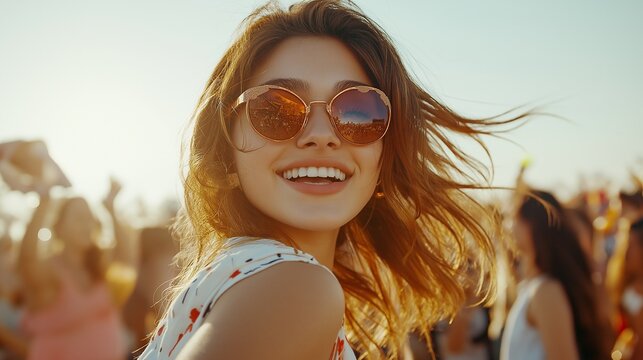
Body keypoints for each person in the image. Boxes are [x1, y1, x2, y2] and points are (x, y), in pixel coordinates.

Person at [140, 1, 526, 359]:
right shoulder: (294, 285)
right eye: (275, 109)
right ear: (225, 146)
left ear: (385, 156)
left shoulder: (241, 274)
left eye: (360, 111)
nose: (321, 134)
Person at [17, 177, 130, 360]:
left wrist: (110, 207)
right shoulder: (50, 270)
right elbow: (27, 258)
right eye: (79, 218)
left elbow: (126, 259)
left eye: (89, 218)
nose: (87, 225)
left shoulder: (96, 266)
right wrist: (44, 204)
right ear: (58, 226)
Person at [501, 191, 610, 360]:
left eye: (515, 218)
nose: (509, 225)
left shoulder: (546, 290)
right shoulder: (534, 286)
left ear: (533, 225)